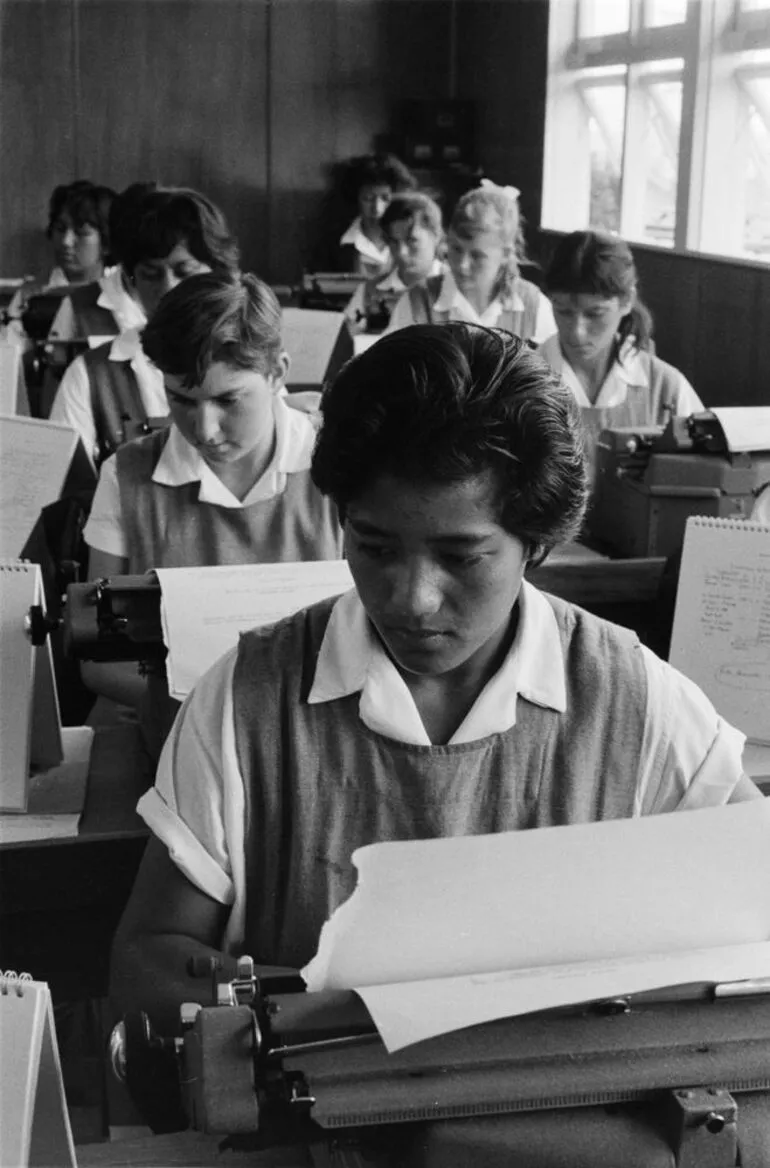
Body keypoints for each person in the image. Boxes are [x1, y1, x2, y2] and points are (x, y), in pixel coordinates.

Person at [110, 323, 758, 1032]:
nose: (411, 597)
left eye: (461, 556)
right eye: (375, 545)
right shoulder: (248, 699)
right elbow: (147, 956)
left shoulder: (637, 700)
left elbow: (752, 928)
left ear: (537, 541)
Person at [81, 271, 342, 745]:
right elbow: (101, 657)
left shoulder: (339, 466)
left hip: (316, 726)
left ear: (278, 373)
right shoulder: (128, 475)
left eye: (228, 399)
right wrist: (219, 713)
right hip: (167, 727)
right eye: (180, 400)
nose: (204, 429)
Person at [50, 186, 240, 467]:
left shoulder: (248, 359)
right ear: (131, 281)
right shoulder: (89, 376)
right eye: (151, 275)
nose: (168, 288)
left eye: (185, 272)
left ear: (218, 274)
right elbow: (67, 485)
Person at [539, 230, 703, 476]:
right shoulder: (524, 382)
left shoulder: (666, 389)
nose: (577, 332)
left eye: (595, 314)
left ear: (627, 301)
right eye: (563, 311)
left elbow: (702, 475)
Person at [386, 180, 555, 343]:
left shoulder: (534, 307)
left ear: (505, 254)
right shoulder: (417, 302)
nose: (462, 264)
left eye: (477, 256)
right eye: (456, 249)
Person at [343, 191, 445, 337]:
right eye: (393, 242)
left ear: (436, 236)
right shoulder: (369, 292)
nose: (402, 252)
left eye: (411, 241)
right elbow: (346, 341)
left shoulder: (452, 287)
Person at [337, 152, 417, 278]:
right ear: (355, 198)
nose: (377, 208)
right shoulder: (336, 245)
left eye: (385, 198)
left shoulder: (412, 240)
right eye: (368, 198)